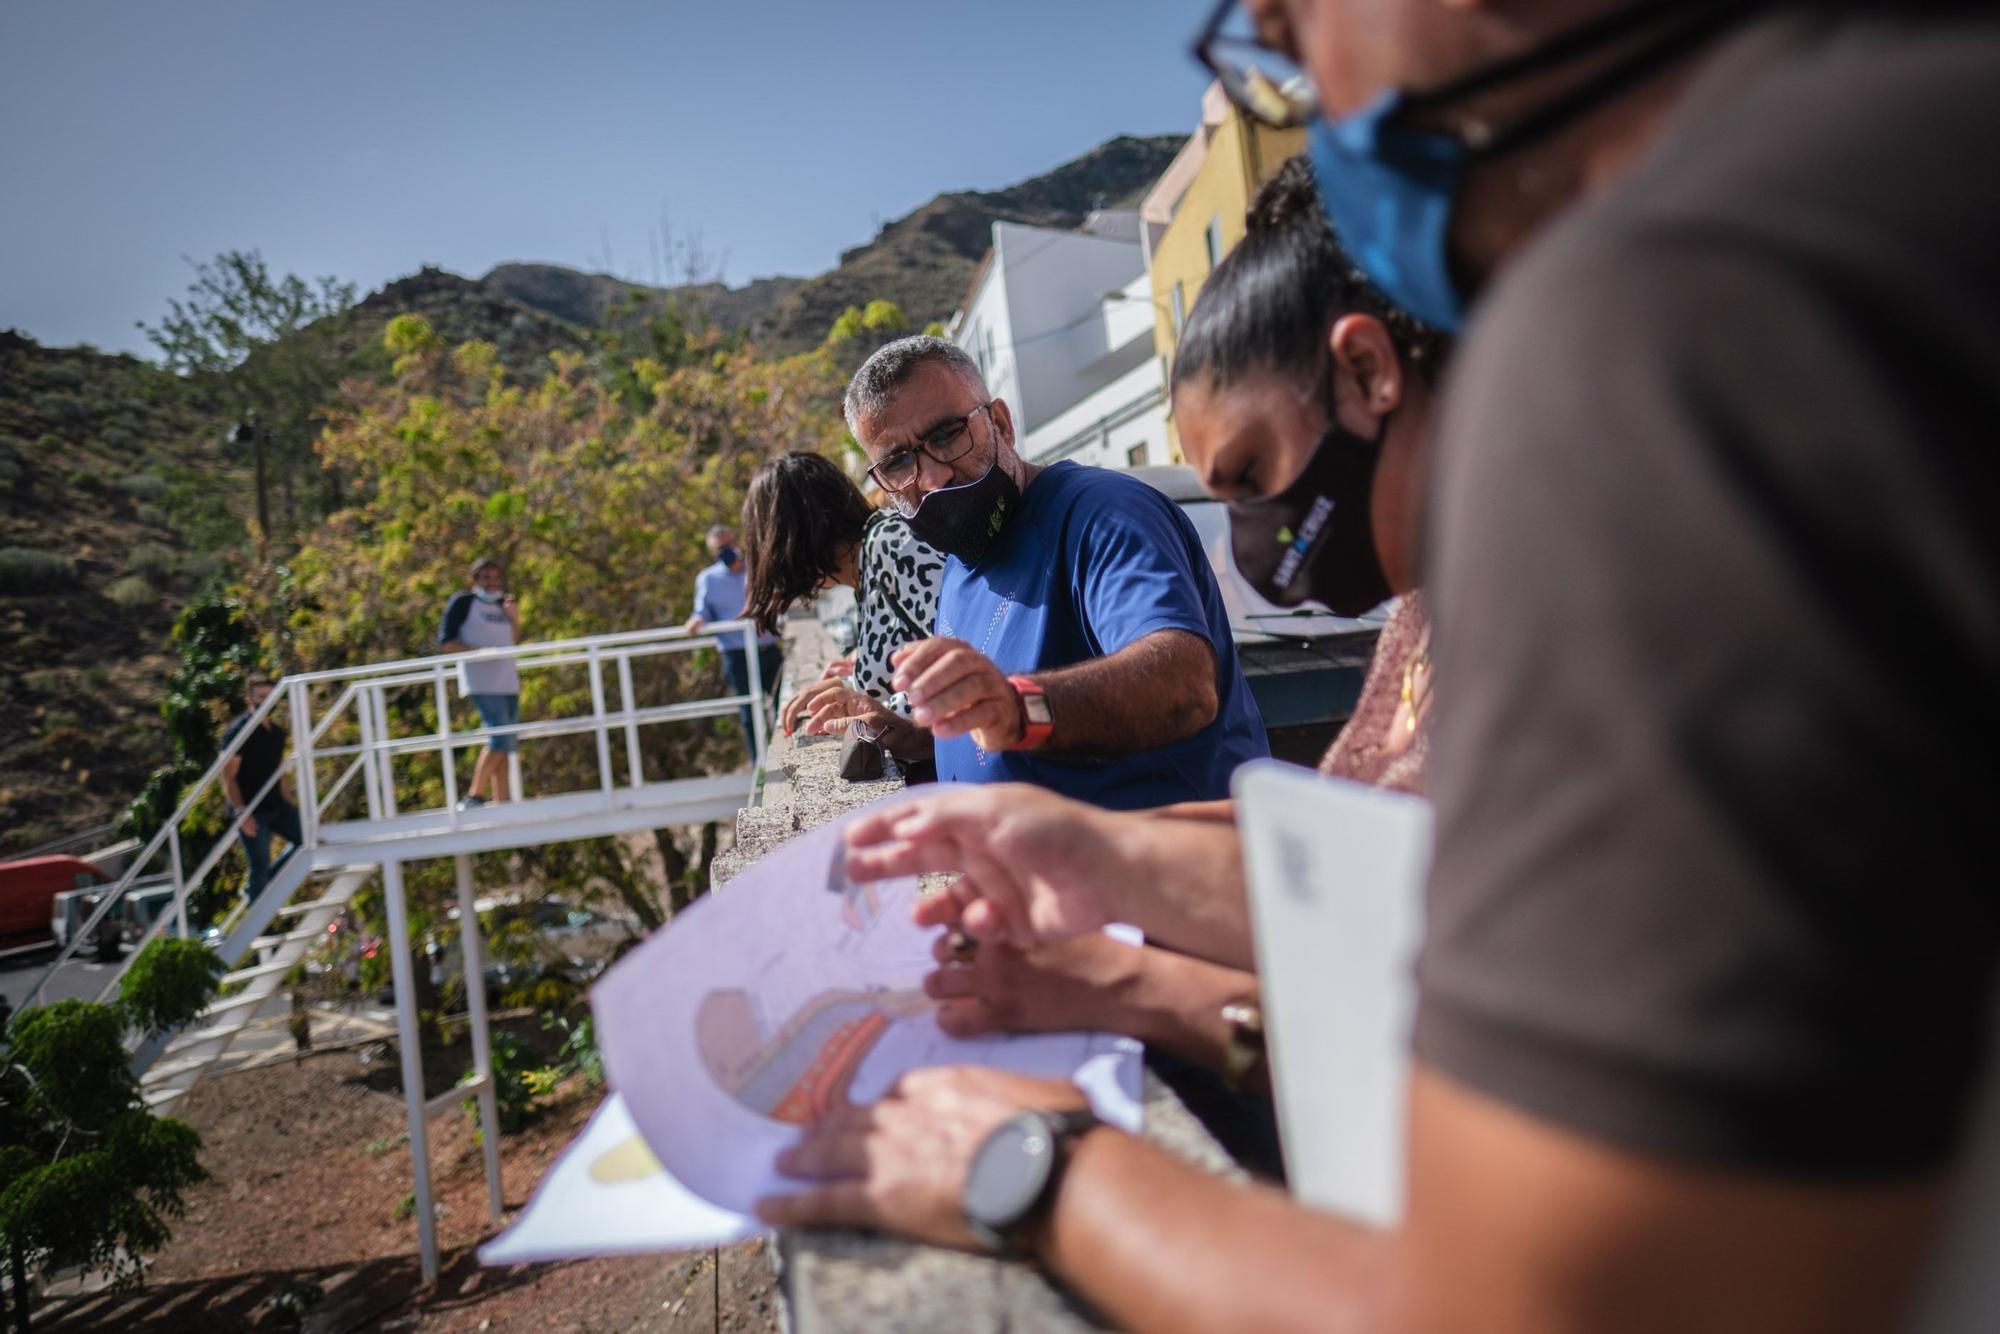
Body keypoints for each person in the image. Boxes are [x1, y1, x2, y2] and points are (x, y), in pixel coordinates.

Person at [760, 3, 2000, 1330]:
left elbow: (1539, 1299)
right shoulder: (1909, 157)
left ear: (1365, 375)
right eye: (898, 462)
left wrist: (1033, 1165)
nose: (1298, 76)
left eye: (1293, 25)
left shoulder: (1675, 330)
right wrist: (1112, 894)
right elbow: (1447, 893)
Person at [921, 157, 1452, 1176]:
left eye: (1251, 476)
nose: (1257, 547)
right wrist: (1074, 858)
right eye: (895, 460)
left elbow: (1414, 1028)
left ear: (1368, 372)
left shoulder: (1543, 634)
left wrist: (1106, 990)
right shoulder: (1422, 621)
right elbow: (1349, 861)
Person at [831, 335, 1269, 809]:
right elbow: (998, 738)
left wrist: (1020, 708)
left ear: (1000, 423)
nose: (933, 478)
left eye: (946, 435)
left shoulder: (1103, 514)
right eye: (898, 462)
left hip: (1169, 875)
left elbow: (1184, 686)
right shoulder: (964, 556)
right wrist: (915, 736)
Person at [736, 451, 945, 744]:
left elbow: (970, 658)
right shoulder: (866, 565)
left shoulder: (891, 544)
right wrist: (849, 687)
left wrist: (876, 709)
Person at [685, 524, 783, 755]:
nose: (727, 551)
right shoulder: (707, 579)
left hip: (767, 650)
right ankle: (760, 764)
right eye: (720, 548)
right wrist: (695, 621)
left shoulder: (758, 568)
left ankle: (790, 753)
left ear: (737, 542)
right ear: (713, 552)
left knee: (784, 703)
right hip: (736, 656)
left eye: (729, 544)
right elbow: (702, 611)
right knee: (750, 714)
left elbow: (778, 595)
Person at [437, 556, 520, 807]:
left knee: (507, 740)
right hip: (482, 681)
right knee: (499, 738)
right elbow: (446, 643)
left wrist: (515, 617)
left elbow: (513, 640)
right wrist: (479, 652)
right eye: (486, 577)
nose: (492, 582)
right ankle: (475, 794)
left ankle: (502, 798)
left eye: (496, 577)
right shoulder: (463, 603)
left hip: (507, 680)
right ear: (475, 580)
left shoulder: (504, 605)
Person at [221, 676, 302, 899]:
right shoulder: (240, 731)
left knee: (305, 840)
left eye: (271, 696)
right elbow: (228, 775)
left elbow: (280, 772)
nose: (267, 701)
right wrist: (241, 812)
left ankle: (264, 883)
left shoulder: (276, 733)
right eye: (261, 697)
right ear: (249, 698)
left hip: (275, 804)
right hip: (250, 809)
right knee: (259, 866)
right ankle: (254, 923)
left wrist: (289, 804)